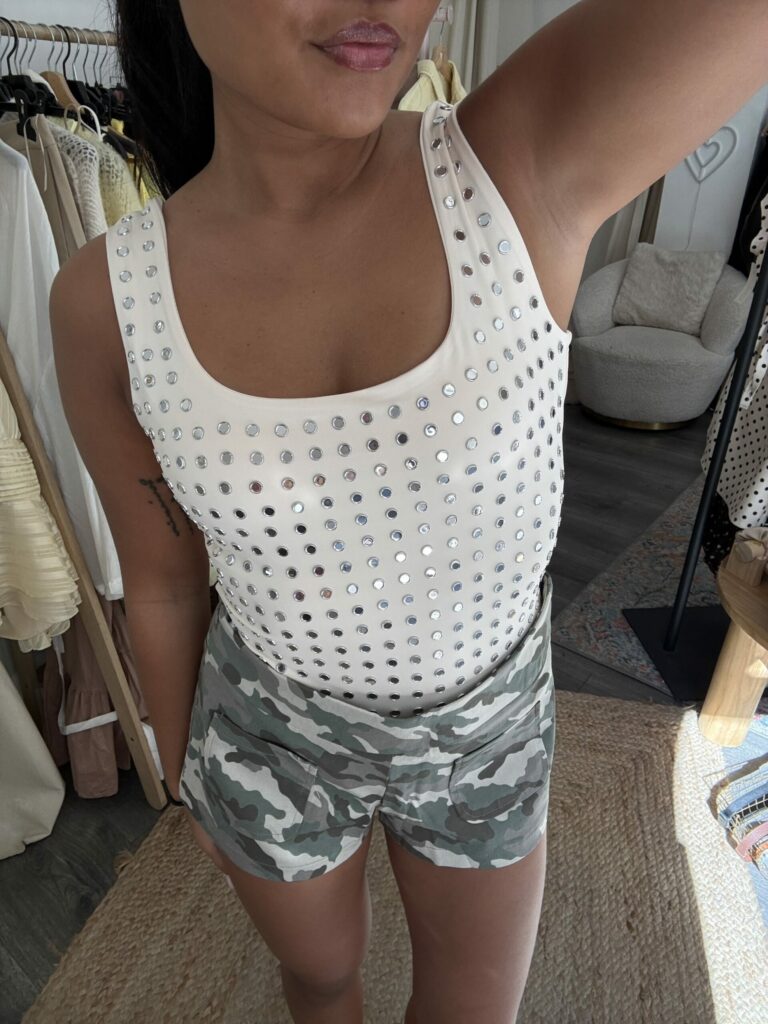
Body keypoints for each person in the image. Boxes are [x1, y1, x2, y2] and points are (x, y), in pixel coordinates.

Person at [49, 3, 768, 1022]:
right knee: (320, 979)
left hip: (488, 732)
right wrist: (184, 776)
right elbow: (163, 581)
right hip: (270, 733)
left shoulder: (517, 165)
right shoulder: (106, 301)